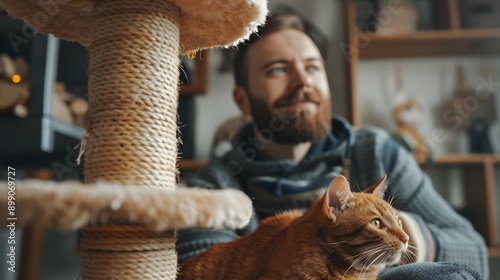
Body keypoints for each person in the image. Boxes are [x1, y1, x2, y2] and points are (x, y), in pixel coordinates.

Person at [176, 12, 488, 279]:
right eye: (278, 70)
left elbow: (474, 253)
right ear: (243, 99)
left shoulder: (377, 152)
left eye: (312, 67)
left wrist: (391, 234)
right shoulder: (215, 185)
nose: (303, 81)